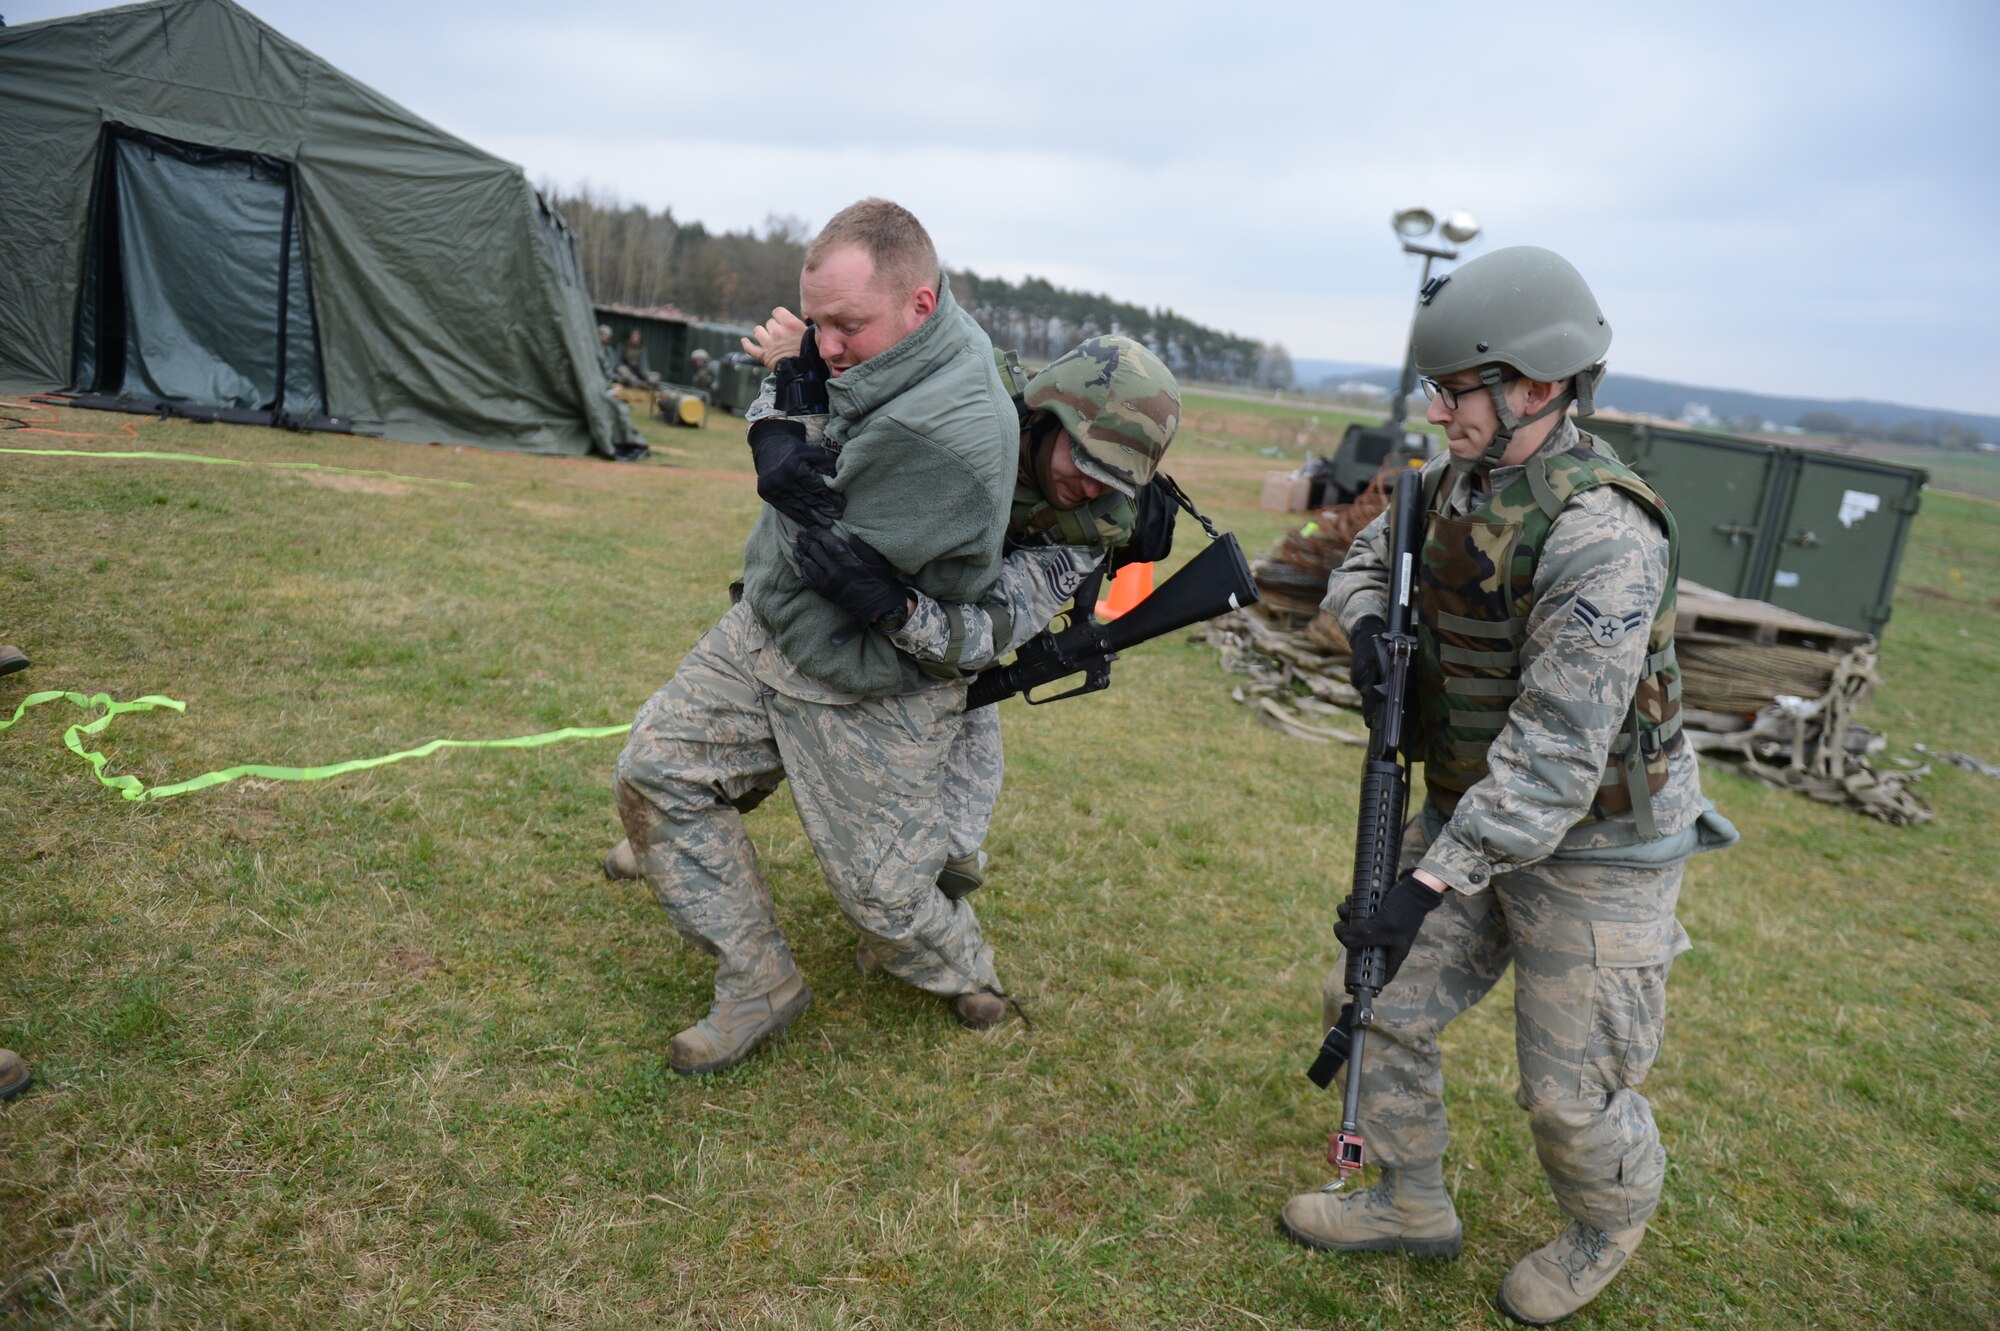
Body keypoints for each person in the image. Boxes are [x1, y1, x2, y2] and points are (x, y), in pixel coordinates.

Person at [1277, 246, 1733, 1326]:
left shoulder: (1603, 534)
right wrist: (1371, 622)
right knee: (1372, 993)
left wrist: (1427, 881)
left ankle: (1604, 1222)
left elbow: (1554, 758)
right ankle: (1404, 1194)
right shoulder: (1450, 488)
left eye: (1455, 390)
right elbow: (1361, 557)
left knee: (1568, 1096)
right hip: (1468, 802)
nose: (1439, 411)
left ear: (1535, 385)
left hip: (1597, 843)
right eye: (1435, 389)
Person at [613, 198, 1019, 1076]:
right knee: (655, 769)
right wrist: (795, 385)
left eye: (849, 325)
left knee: (885, 906)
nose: (829, 343)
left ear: (919, 305)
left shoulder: (948, 435)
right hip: (773, 629)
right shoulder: (903, 342)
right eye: (820, 320)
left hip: (864, 677)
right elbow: (813, 422)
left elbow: (820, 533)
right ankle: (757, 977)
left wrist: (784, 408)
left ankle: (965, 965)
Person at [605, 335, 1182, 915]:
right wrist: (772, 431)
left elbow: (990, 633)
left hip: (943, 652)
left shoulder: (1092, 526)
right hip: (823, 592)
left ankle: (914, 930)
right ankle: (655, 839)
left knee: (955, 837)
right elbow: (818, 378)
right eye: (1083, 463)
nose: (1091, 487)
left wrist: (892, 607)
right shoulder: (963, 400)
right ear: (1047, 414)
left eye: (1113, 479)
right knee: (739, 729)